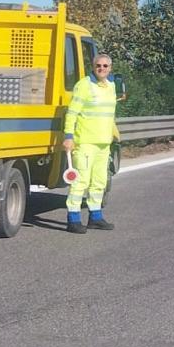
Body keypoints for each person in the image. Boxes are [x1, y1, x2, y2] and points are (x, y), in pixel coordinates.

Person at [62, 52, 120, 234]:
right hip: (85, 143)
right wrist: (68, 136)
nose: (101, 68)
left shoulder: (111, 86)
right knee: (81, 181)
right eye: (98, 65)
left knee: (99, 182)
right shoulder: (84, 85)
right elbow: (72, 113)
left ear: (110, 68)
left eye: (105, 66)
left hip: (103, 143)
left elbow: (109, 114)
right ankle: (73, 219)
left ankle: (95, 217)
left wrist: (114, 132)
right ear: (93, 67)